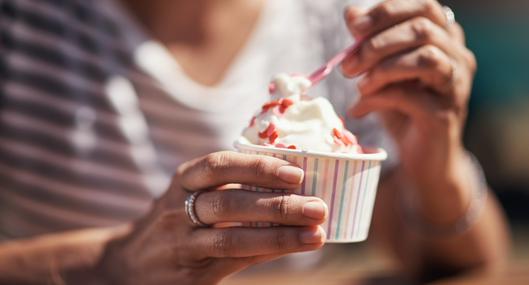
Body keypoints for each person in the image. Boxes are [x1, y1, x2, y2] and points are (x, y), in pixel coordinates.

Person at [0, 0, 509, 284]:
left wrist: (435, 161)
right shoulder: (24, 21)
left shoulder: (340, 20)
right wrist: (109, 263)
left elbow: (465, 263)